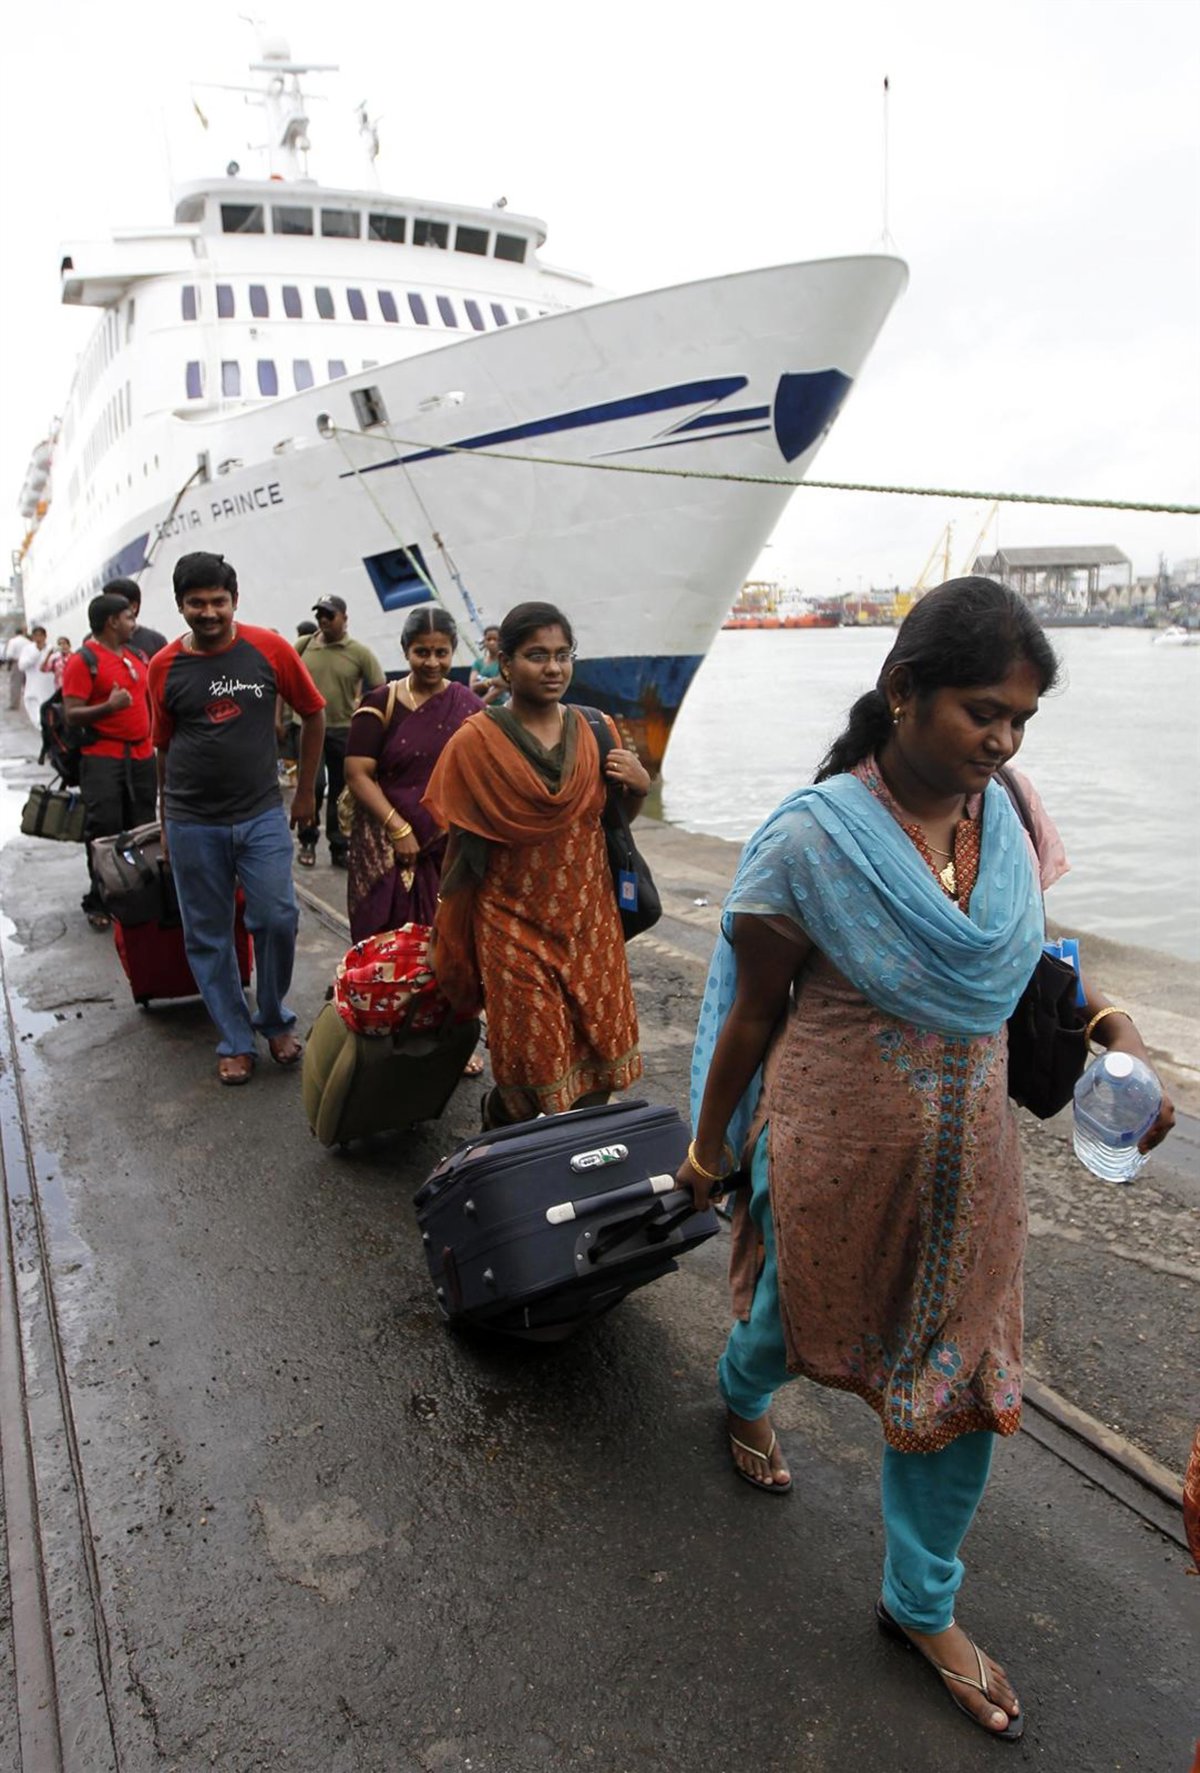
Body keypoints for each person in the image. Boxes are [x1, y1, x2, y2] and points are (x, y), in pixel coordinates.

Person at [678, 578, 1175, 1742]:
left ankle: (919, 1601)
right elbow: (751, 1013)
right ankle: (742, 1397)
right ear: (903, 690)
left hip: (976, 1159)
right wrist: (710, 1147)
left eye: (1020, 720)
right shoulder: (810, 840)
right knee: (796, 1320)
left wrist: (1118, 1031)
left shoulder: (1011, 814)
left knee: (965, 1378)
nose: (1002, 742)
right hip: (835, 1151)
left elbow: (1034, 956)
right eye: (982, 712)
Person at [424, 601, 649, 1127]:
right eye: (537, 655)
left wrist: (639, 786)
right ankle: (503, 1133)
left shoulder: (596, 729)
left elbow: (612, 822)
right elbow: (457, 845)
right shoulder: (475, 743)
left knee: (596, 1054)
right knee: (529, 1065)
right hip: (513, 927)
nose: (553, 668)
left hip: (590, 923)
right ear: (505, 664)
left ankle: (576, 1156)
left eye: (563, 655)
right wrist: (455, 930)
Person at [148, 552, 326, 1086]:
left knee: (276, 917)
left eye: (218, 601)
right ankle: (234, 1038)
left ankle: (273, 1017)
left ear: (235, 600)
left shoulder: (269, 649)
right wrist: (165, 819)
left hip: (260, 813)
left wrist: (306, 794)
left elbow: (313, 712)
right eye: (196, 603)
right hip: (192, 821)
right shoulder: (163, 667)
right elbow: (163, 748)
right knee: (208, 933)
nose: (208, 612)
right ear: (180, 606)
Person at [343, 606, 481, 942]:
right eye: (422, 652)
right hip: (384, 844)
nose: (432, 662)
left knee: (446, 941)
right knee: (383, 941)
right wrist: (399, 828)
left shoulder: (469, 706)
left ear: (452, 652)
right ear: (406, 650)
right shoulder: (381, 702)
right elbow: (357, 772)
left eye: (441, 653)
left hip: (446, 846)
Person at [62, 592, 157, 931]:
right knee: (105, 830)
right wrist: (109, 707)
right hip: (103, 759)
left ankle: (142, 893)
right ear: (112, 622)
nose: (134, 623)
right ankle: (99, 900)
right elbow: (72, 714)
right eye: (129, 617)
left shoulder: (136, 655)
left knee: (143, 826)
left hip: (142, 757)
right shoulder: (83, 661)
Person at [293, 595, 384, 869]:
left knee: (340, 789)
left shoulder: (359, 652)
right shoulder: (303, 645)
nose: (323, 620)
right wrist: (281, 717)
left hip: (342, 729)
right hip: (307, 727)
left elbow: (380, 686)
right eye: (319, 615)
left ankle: (339, 844)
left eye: (329, 615)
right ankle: (307, 839)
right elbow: (283, 677)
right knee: (313, 784)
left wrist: (364, 711)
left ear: (344, 618)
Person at [101, 577, 168, 660]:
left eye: (114, 604)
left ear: (134, 607)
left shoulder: (156, 642)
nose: (107, 609)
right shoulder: (93, 643)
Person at [18, 627, 57, 730]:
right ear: (33, 637)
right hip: (33, 684)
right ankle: (41, 727)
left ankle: (48, 728)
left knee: (49, 708)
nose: (38, 638)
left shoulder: (51, 649)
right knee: (34, 708)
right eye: (36, 636)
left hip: (49, 684)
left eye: (41, 635)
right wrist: (37, 652)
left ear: (45, 636)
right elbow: (22, 666)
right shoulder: (28, 649)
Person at [469, 624, 505, 705]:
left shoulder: (505, 662)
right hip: (481, 708)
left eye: (495, 639)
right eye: (489, 639)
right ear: (484, 641)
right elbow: (472, 686)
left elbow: (503, 685)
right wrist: (493, 681)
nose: (492, 642)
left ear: (501, 641)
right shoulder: (478, 663)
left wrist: (480, 704)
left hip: (501, 707)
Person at [5, 627, 28, 711]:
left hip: (17, 663)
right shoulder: (27, 641)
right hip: (28, 663)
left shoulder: (13, 641)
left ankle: (14, 704)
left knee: (15, 684)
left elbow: (9, 655)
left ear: (15, 633)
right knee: (28, 684)